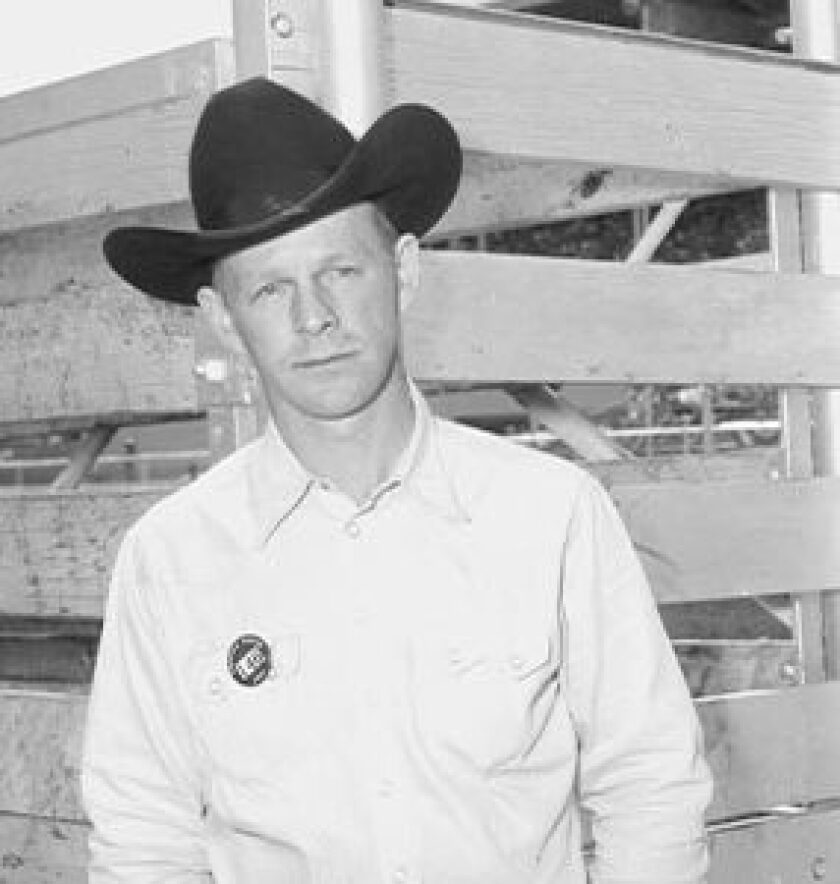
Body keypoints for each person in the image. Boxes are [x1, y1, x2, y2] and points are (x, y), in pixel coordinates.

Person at [83, 77, 711, 884]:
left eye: (340, 271)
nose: (313, 317)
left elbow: (652, 787)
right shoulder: (169, 559)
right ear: (223, 321)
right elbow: (144, 844)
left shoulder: (551, 516)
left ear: (404, 271)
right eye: (270, 289)